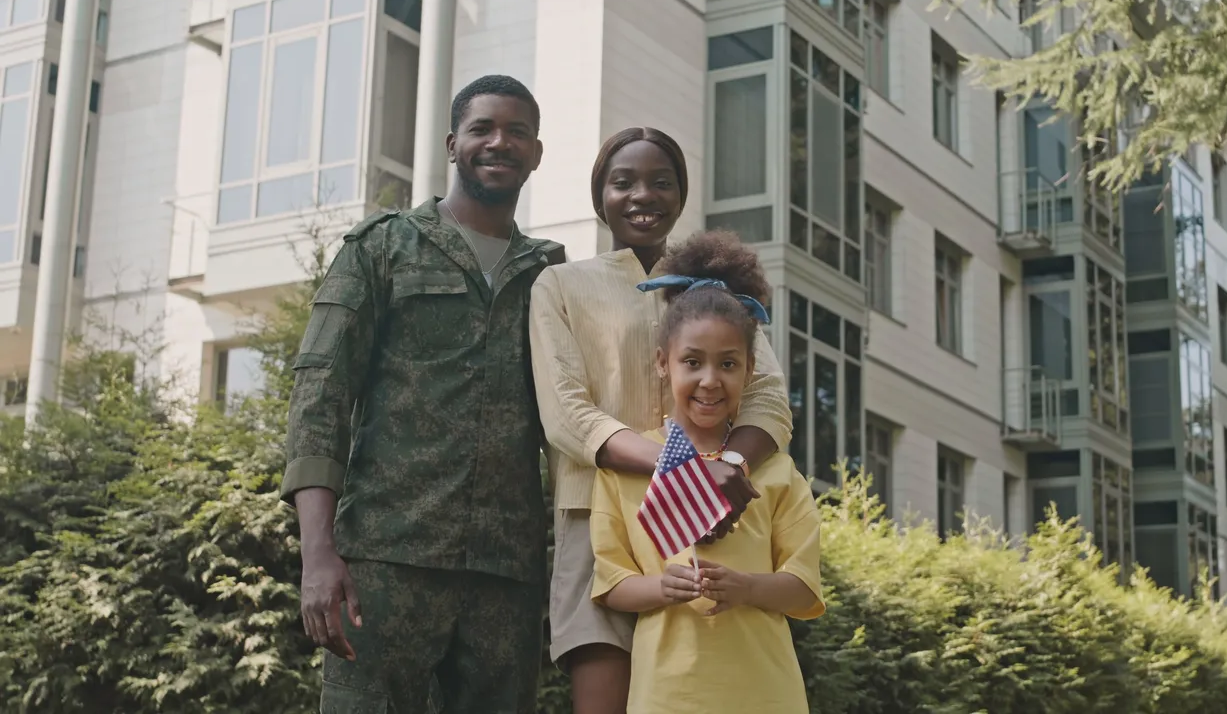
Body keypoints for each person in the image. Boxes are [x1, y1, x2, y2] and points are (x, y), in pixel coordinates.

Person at [281, 74, 564, 714]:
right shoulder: (382, 248)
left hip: (505, 575)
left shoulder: (550, 275)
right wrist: (318, 554)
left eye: (517, 132)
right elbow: (320, 396)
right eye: (483, 128)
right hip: (385, 562)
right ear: (452, 144)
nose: (500, 142)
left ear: (537, 153)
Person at [529, 128, 792, 713]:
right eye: (623, 182)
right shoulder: (560, 285)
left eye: (660, 182)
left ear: (681, 195)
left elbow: (769, 398)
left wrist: (726, 466)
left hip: (716, 518)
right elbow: (567, 414)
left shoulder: (716, 292)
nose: (642, 195)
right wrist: (689, 469)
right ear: (600, 198)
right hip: (596, 518)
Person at [590, 229, 825, 713]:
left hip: (766, 694)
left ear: (750, 369)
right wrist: (661, 587)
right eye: (692, 362)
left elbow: (803, 588)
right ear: (663, 363)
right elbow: (611, 584)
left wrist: (746, 586)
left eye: (728, 364)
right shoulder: (623, 471)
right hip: (667, 695)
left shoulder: (778, 472)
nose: (709, 381)